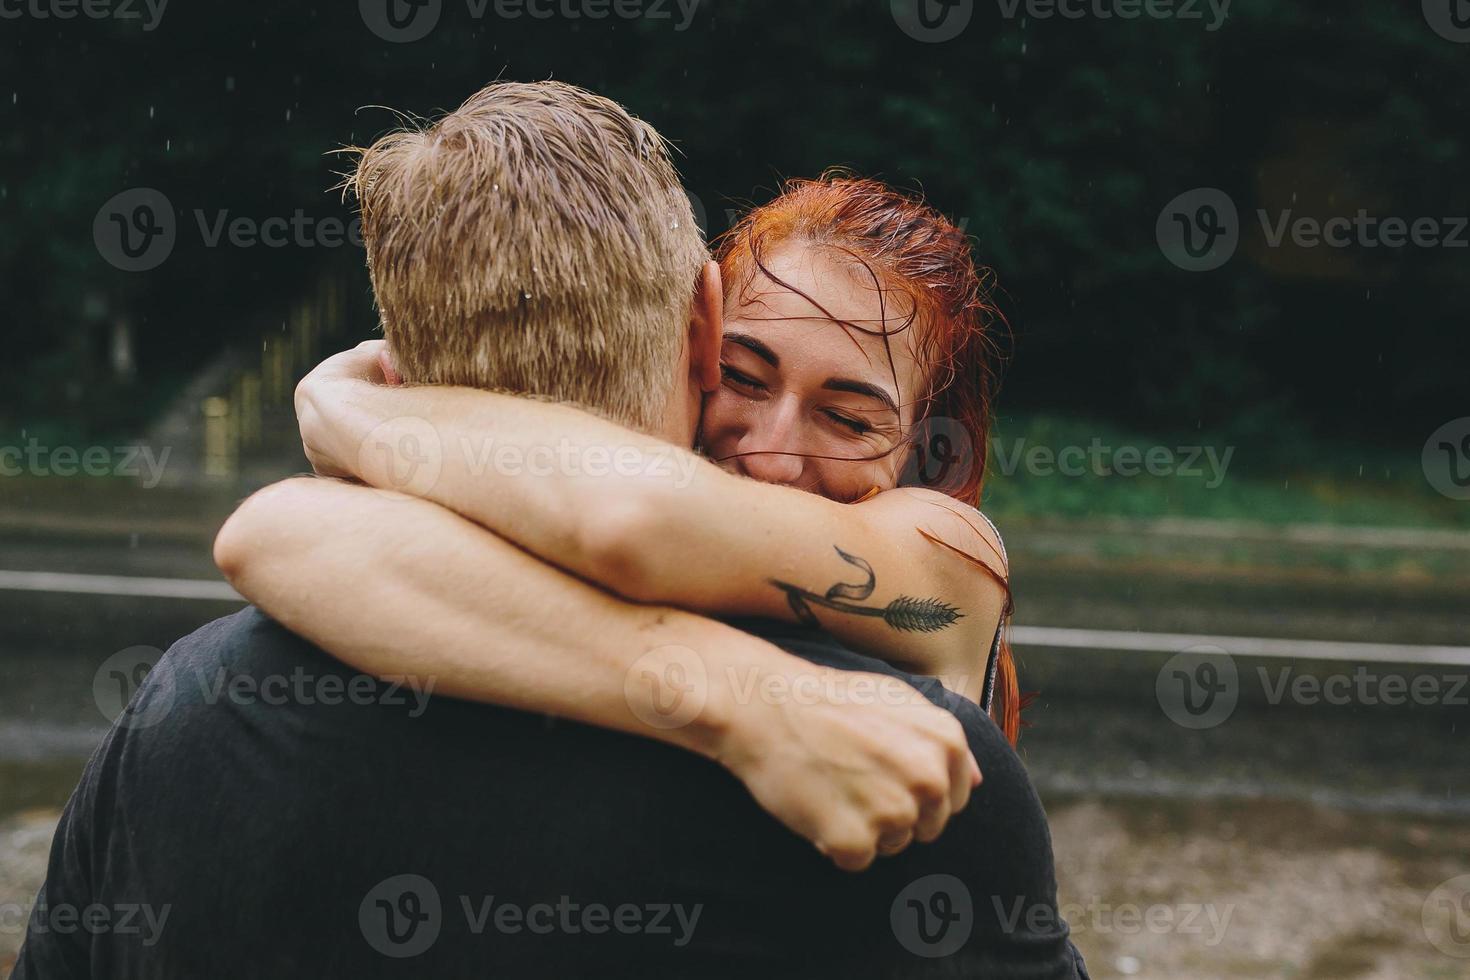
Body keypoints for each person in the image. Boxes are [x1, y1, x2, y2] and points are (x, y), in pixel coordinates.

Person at [14, 80, 1085, 978]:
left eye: (852, 416)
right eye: (742, 381)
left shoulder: (944, 564)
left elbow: (622, 513)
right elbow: (274, 533)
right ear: (700, 335)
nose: (770, 450)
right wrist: (731, 694)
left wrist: (356, 405)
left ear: (929, 457)